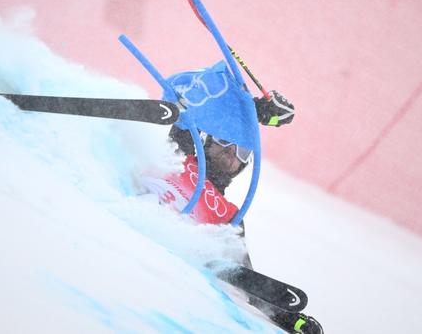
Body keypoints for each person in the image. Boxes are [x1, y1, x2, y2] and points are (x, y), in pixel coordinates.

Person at [138, 89, 323, 334]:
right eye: (225, 140)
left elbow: (247, 280)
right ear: (208, 139)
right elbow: (191, 102)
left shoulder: (230, 216)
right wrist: (255, 110)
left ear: (245, 165)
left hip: (168, 250)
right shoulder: (182, 156)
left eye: (242, 151)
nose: (231, 151)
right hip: (139, 220)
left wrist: (291, 319)